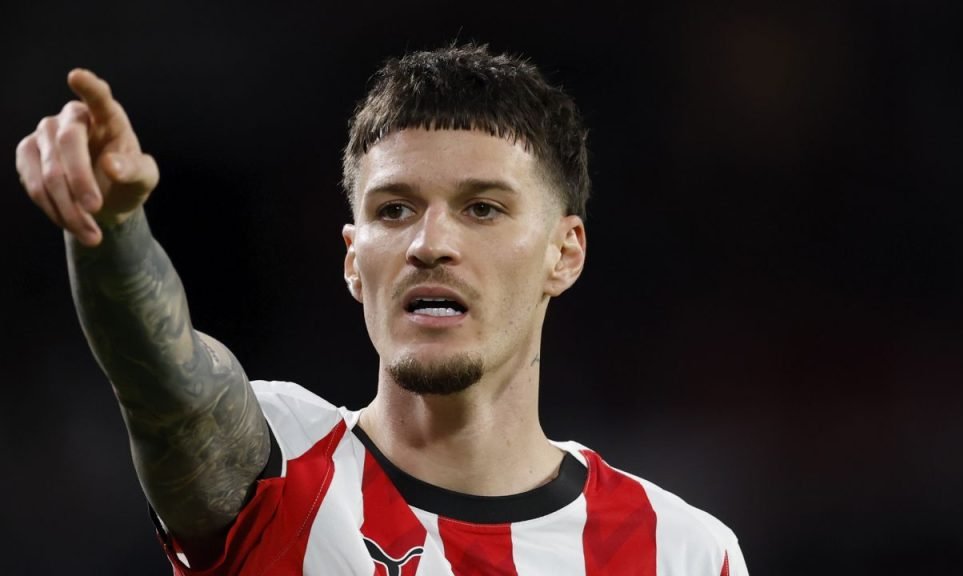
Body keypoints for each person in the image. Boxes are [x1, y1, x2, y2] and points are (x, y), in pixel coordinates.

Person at [15, 43, 749, 575]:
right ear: (352, 260)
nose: (430, 244)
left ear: (565, 252)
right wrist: (113, 230)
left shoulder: (683, 552)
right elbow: (163, 383)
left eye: (483, 208)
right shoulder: (279, 469)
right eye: (394, 209)